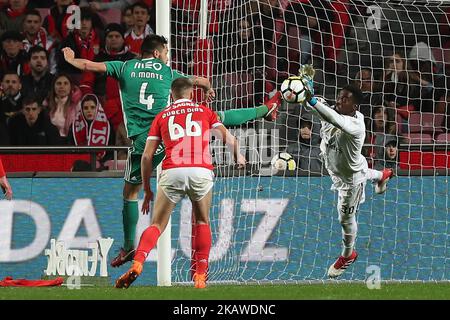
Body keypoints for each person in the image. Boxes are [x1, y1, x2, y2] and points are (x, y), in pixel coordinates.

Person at [62, 34, 282, 269]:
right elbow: (200, 80)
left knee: (129, 193)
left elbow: (88, 65)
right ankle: (264, 109)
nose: (167, 56)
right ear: (157, 53)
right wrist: (206, 89)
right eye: (166, 52)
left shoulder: (124, 66)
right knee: (215, 117)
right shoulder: (168, 72)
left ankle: (128, 247)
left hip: (144, 141)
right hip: (171, 138)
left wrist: (72, 58)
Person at [115, 77, 246, 289]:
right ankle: (200, 277)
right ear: (191, 94)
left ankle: (138, 263)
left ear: (171, 95)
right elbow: (230, 139)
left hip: (173, 170)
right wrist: (238, 156)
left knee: (157, 224)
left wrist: (147, 189)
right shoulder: (204, 111)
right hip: (200, 170)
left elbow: (147, 157)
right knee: (202, 221)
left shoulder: (162, 116)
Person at [300, 71, 394, 278]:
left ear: (355, 107)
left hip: (349, 180)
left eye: (346, 99)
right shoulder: (332, 109)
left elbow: (333, 119)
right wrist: (304, 92)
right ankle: (381, 175)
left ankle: (348, 254)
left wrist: (313, 99)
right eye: (340, 96)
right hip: (344, 166)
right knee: (361, 168)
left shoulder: (356, 125)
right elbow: (311, 108)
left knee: (345, 218)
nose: (340, 100)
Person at [67, 94, 115, 165]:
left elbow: (111, 150)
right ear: (81, 109)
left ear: (98, 108)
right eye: (86, 108)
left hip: (103, 166)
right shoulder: (74, 126)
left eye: (92, 107)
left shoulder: (108, 125)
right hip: (79, 165)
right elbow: (70, 149)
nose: (89, 111)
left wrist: (101, 162)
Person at [43, 73, 82, 140]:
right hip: (50, 143)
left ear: (71, 87)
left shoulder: (78, 104)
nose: (62, 86)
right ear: (53, 87)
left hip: (70, 143)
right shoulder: (46, 104)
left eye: (65, 83)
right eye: (59, 83)